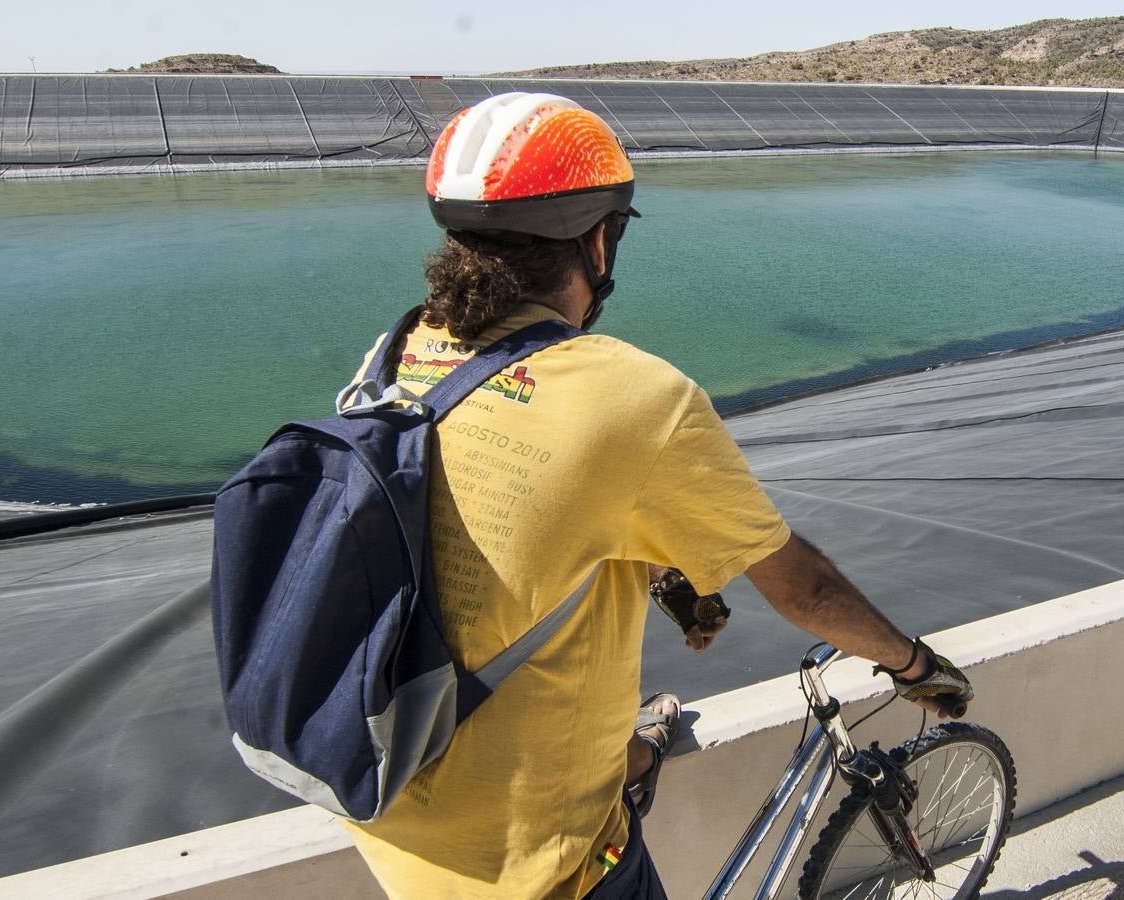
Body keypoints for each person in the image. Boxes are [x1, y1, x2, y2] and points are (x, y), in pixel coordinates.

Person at [341, 92, 972, 900]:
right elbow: (804, 588)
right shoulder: (636, 398)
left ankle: (635, 750)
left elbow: (496, 511)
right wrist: (915, 665)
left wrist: (667, 576)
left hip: (383, 794)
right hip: (537, 864)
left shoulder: (396, 353)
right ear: (598, 240)